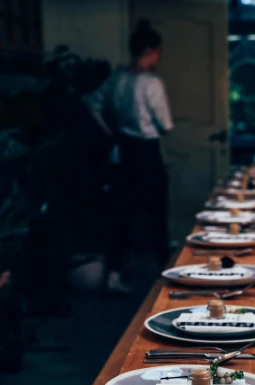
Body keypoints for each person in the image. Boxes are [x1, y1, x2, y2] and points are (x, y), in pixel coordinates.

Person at [84, 19, 173, 293]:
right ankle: (170, 276)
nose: (159, 57)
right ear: (149, 51)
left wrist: (110, 131)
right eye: (158, 51)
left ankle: (112, 276)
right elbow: (166, 125)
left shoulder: (116, 80)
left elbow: (91, 103)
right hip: (145, 152)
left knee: (121, 214)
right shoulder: (151, 84)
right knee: (158, 211)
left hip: (122, 151)